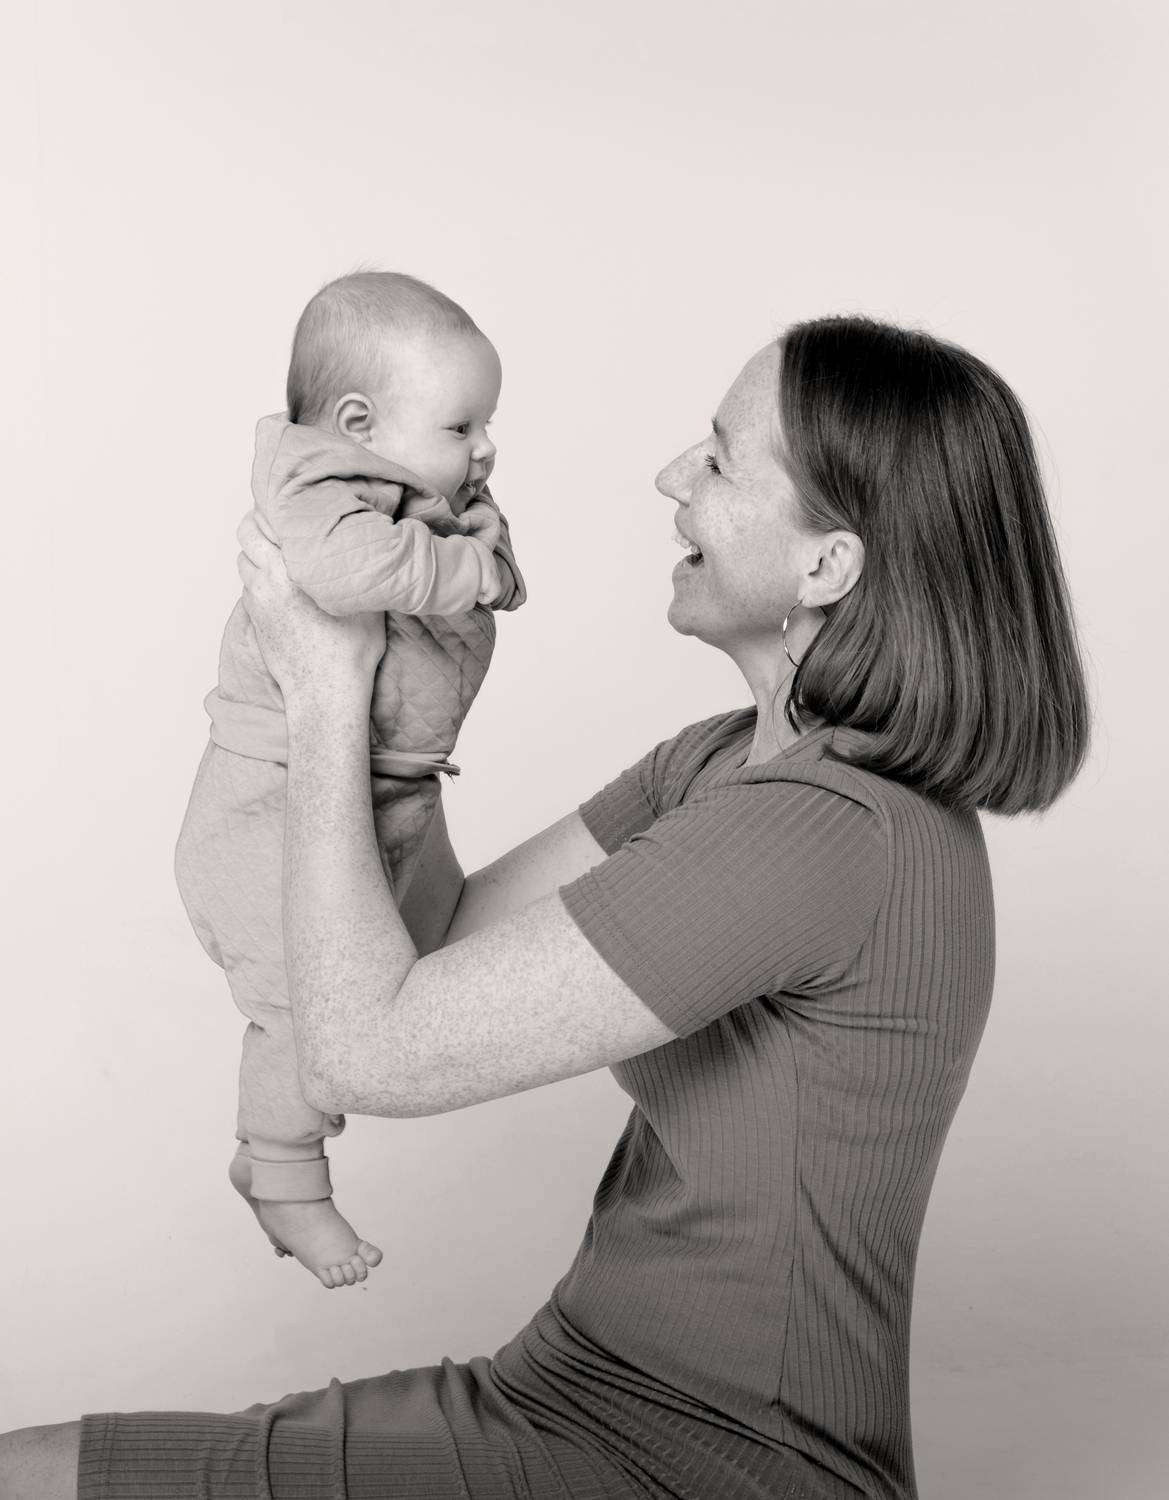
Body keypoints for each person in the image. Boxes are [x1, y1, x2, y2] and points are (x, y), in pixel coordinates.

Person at [0, 316, 1089, 1500]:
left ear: (825, 567)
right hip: (564, 1390)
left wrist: (322, 696)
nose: (670, 477)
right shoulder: (720, 764)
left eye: (719, 461)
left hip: (719, 1465)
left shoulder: (821, 832)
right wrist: (403, 731)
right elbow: (427, 946)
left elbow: (363, 1053)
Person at [174, 271, 526, 1287]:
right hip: (273, 806)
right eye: (462, 425)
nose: (486, 449)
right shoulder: (318, 488)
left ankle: (265, 1148)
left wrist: (482, 551)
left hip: (379, 798)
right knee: (307, 1001)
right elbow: (349, 577)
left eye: (488, 424)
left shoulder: (423, 497)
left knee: (404, 975)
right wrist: (473, 569)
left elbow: (502, 570)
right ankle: (288, 1177)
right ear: (360, 424)